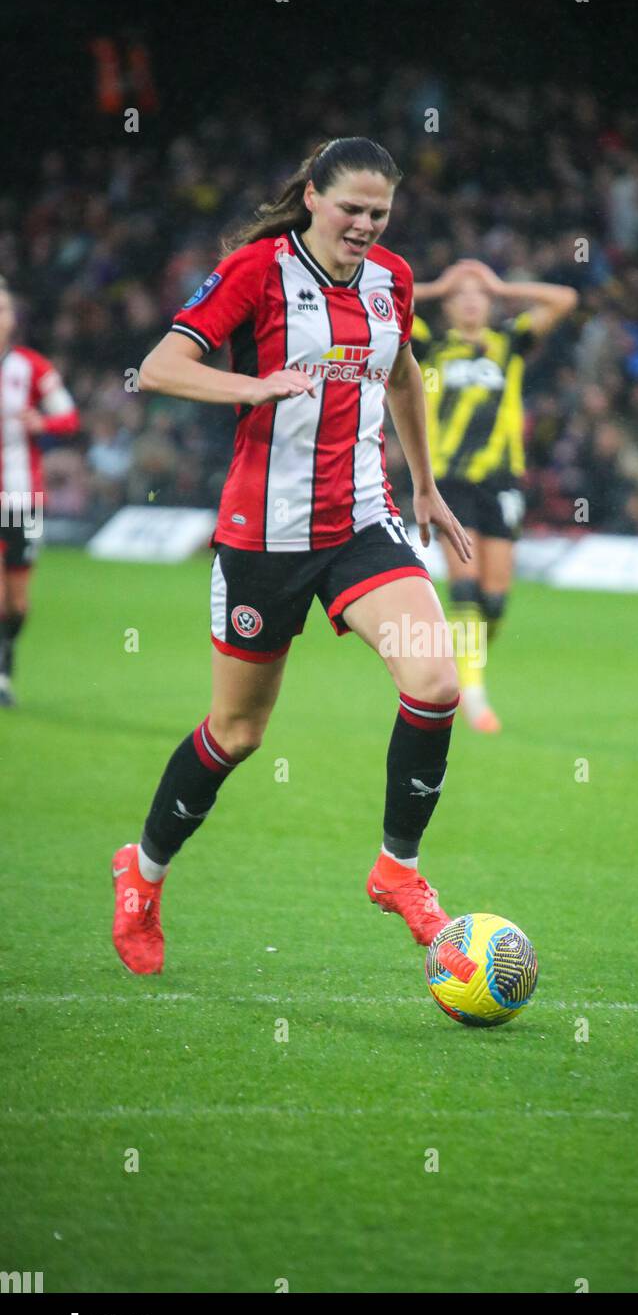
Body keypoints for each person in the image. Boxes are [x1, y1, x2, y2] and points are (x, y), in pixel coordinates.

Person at [111, 138, 472, 975]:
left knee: (436, 681)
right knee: (236, 733)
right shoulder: (255, 270)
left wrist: (425, 485)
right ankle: (144, 873)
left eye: (379, 213)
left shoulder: (393, 281)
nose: (365, 226)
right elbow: (160, 369)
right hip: (262, 537)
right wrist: (253, 386)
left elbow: (405, 375)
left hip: (362, 523)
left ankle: (398, 870)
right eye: (352, 208)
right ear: (312, 196)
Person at [412, 260, 577, 730]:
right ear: (447, 303)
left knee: (495, 601)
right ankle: (474, 695)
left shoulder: (509, 342)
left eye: (478, 293)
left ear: (489, 302)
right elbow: (382, 295)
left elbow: (565, 299)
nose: (469, 299)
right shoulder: (429, 346)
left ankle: (468, 666)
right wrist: (436, 284)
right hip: (448, 480)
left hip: (502, 480)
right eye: (460, 293)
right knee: (464, 586)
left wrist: (504, 283)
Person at [0, 277, 79, 707]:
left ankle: (6, 666)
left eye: (4, 310)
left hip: (22, 500)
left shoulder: (32, 367)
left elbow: (68, 417)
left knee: (16, 600)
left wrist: (42, 424)